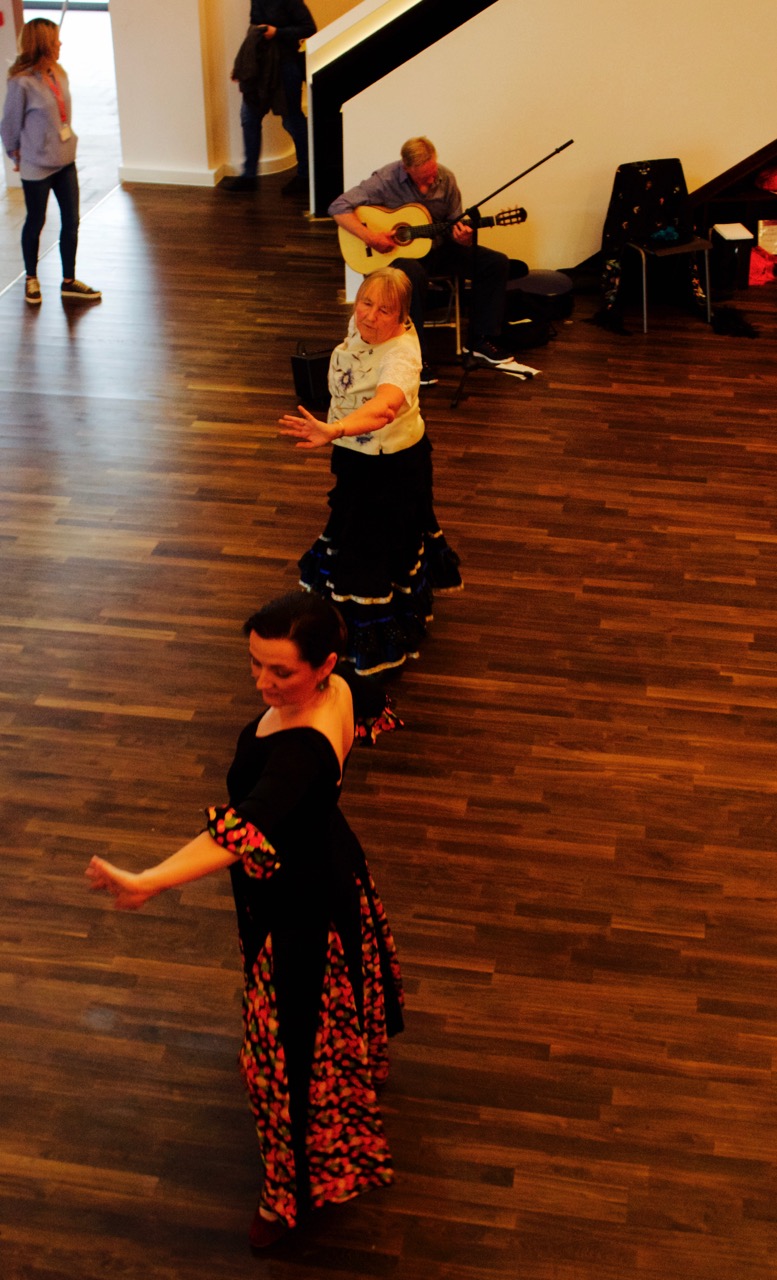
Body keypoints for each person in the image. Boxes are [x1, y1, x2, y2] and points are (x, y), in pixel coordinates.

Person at [86, 590, 404, 1250]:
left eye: (280, 671)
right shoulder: (343, 687)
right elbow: (369, 705)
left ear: (323, 664)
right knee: (323, 1017)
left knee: (286, 1051)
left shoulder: (301, 750)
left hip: (298, 903)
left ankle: (288, 1196)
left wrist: (148, 880)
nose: (263, 683)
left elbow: (239, 831)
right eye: (256, 664)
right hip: (330, 860)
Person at [279, 266, 462, 681]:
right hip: (355, 458)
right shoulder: (363, 324)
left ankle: (372, 656)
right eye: (365, 303)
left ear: (403, 317)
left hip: (391, 469)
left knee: (370, 554)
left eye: (384, 310)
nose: (369, 316)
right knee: (357, 538)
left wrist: (336, 429)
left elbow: (384, 408)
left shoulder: (401, 355)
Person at [329, 136, 526, 383]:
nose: (431, 181)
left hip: (440, 249)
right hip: (398, 257)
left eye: (432, 174)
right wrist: (371, 237)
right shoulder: (385, 179)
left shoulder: (446, 178)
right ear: (406, 168)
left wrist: (463, 238)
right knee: (412, 274)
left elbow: (455, 224)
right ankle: (415, 355)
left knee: (495, 263)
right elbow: (338, 207)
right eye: (424, 178)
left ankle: (480, 340)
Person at [0, 18, 101, 306]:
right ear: (43, 44)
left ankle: (69, 281)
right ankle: (31, 279)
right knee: (36, 220)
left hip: (65, 159)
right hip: (36, 165)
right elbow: (9, 124)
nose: (60, 44)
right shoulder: (21, 83)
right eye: (55, 40)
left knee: (71, 221)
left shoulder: (58, 72)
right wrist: (14, 153)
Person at [224, 1, 316, 195]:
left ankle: (306, 176)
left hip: (286, 66)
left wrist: (277, 33)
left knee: (292, 121)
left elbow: (309, 28)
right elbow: (254, 32)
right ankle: (249, 177)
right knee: (249, 118)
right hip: (261, 65)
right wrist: (242, 65)